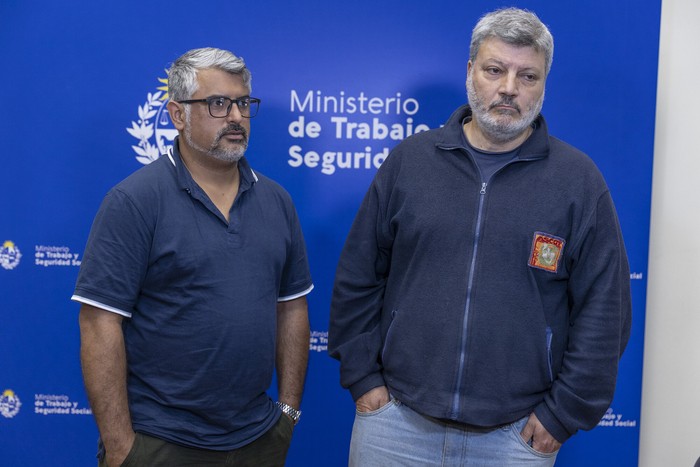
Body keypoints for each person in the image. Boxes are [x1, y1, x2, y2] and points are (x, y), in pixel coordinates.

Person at [329, 7, 631, 466]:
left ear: (543, 84)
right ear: (470, 71)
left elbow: (605, 310)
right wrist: (365, 383)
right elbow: (358, 276)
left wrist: (562, 415)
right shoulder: (410, 163)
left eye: (527, 76)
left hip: (515, 439)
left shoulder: (578, 182)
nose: (509, 88)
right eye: (495, 70)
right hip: (395, 427)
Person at [73, 47, 313, 467]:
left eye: (243, 103)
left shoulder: (277, 201)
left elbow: (291, 307)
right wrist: (121, 446)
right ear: (177, 115)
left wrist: (288, 413)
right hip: (160, 442)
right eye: (218, 104)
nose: (236, 117)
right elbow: (99, 323)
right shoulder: (134, 201)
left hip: (258, 438)